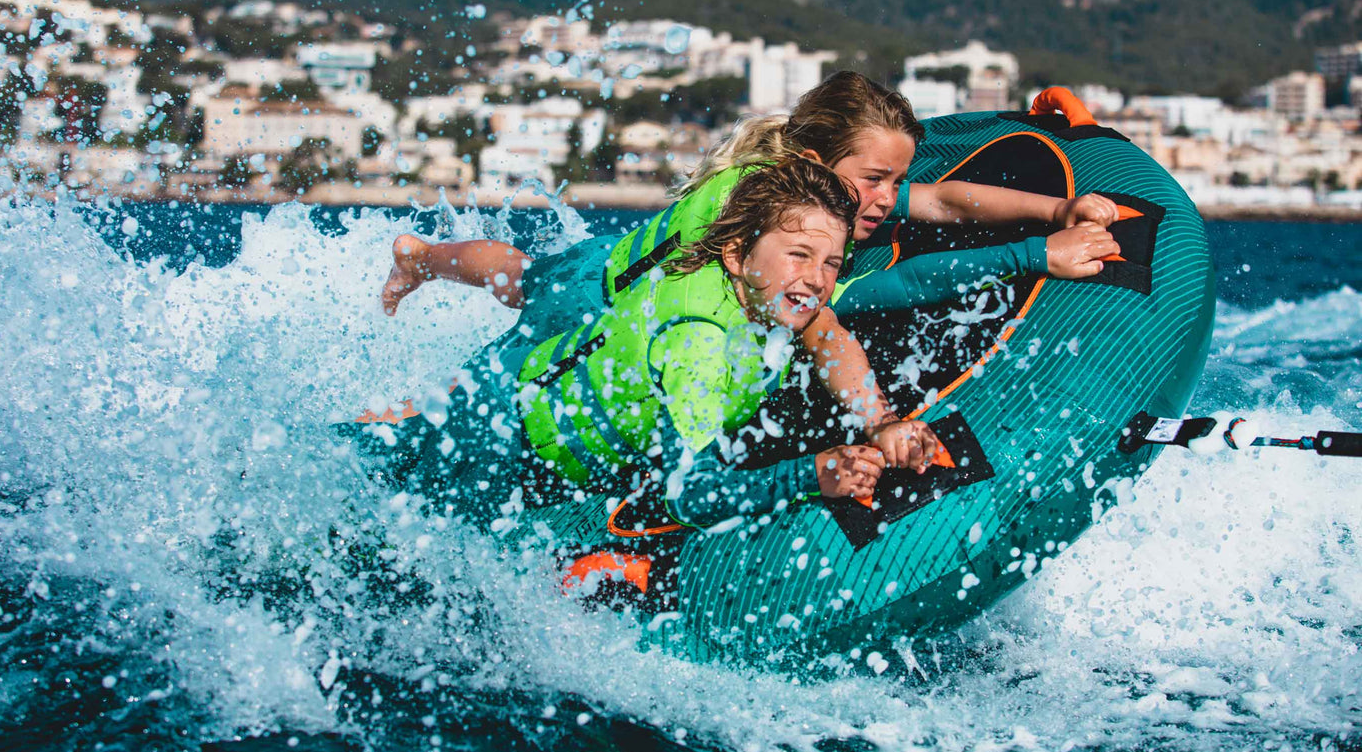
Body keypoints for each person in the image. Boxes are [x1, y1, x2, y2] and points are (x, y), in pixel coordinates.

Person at [378, 72, 1118, 435]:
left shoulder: (829, 202)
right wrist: (1036, 255)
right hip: (601, 294)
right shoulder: (771, 211)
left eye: (894, 178)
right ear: (810, 161)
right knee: (514, 293)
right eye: (874, 180)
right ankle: (418, 258)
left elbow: (944, 200)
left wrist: (1058, 209)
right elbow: (872, 298)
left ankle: (421, 269)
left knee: (518, 279)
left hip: (630, 290)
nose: (890, 197)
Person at [390, 158, 935, 540]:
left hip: (539, 409)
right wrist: (809, 475)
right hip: (497, 443)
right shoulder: (695, 340)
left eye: (831, 264)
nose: (817, 280)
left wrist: (882, 422)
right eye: (798, 256)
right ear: (737, 255)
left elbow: (831, 337)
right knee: (376, 516)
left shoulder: (770, 297)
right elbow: (691, 496)